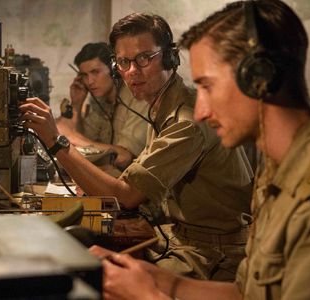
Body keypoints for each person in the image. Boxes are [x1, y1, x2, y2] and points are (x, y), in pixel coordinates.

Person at [89, 1, 310, 299]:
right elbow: (248, 294)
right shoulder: (280, 169)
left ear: (259, 78)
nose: (202, 111)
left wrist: (148, 296)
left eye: (208, 87)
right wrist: (160, 281)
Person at [20, 13, 253, 280]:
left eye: (144, 58)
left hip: (212, 252)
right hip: (178, 235)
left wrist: (54, 140)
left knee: (100, 280)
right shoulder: (159, 106)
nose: (132, 71)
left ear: (169, 58)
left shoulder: (186, 122)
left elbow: (127, 195)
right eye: (123, 62)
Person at [55, 42, 148, 171]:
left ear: (114, 70)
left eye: (95, 72)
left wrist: (72, 137)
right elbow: (87, 147)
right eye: (84, 75)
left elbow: (124, 157)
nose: (89, 81)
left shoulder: (138, 98)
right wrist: (76, 104)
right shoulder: (99, 102)